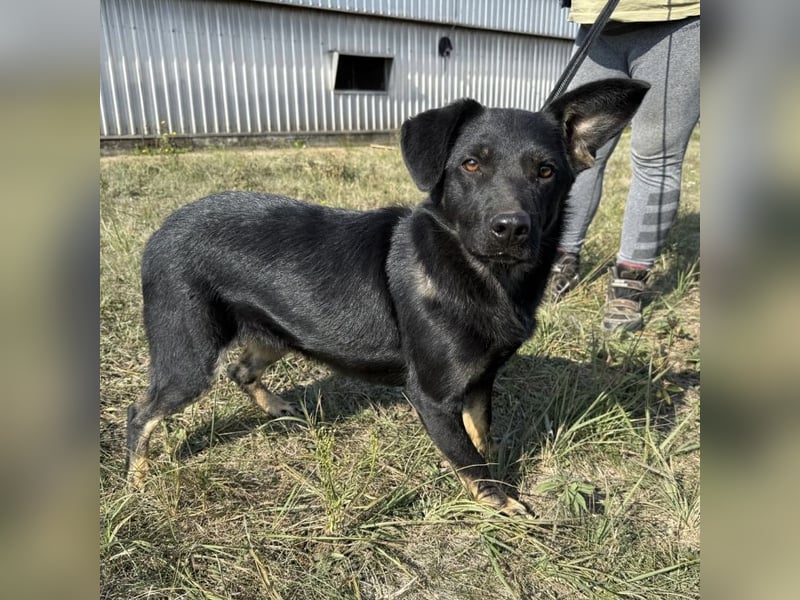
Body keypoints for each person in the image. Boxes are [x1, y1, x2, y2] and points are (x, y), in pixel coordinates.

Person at [550, 0, 700, 332]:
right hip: (598, 21)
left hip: (677, 21)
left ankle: (628, 282)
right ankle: (561, 259)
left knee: (656, 155)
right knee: (576, 150)